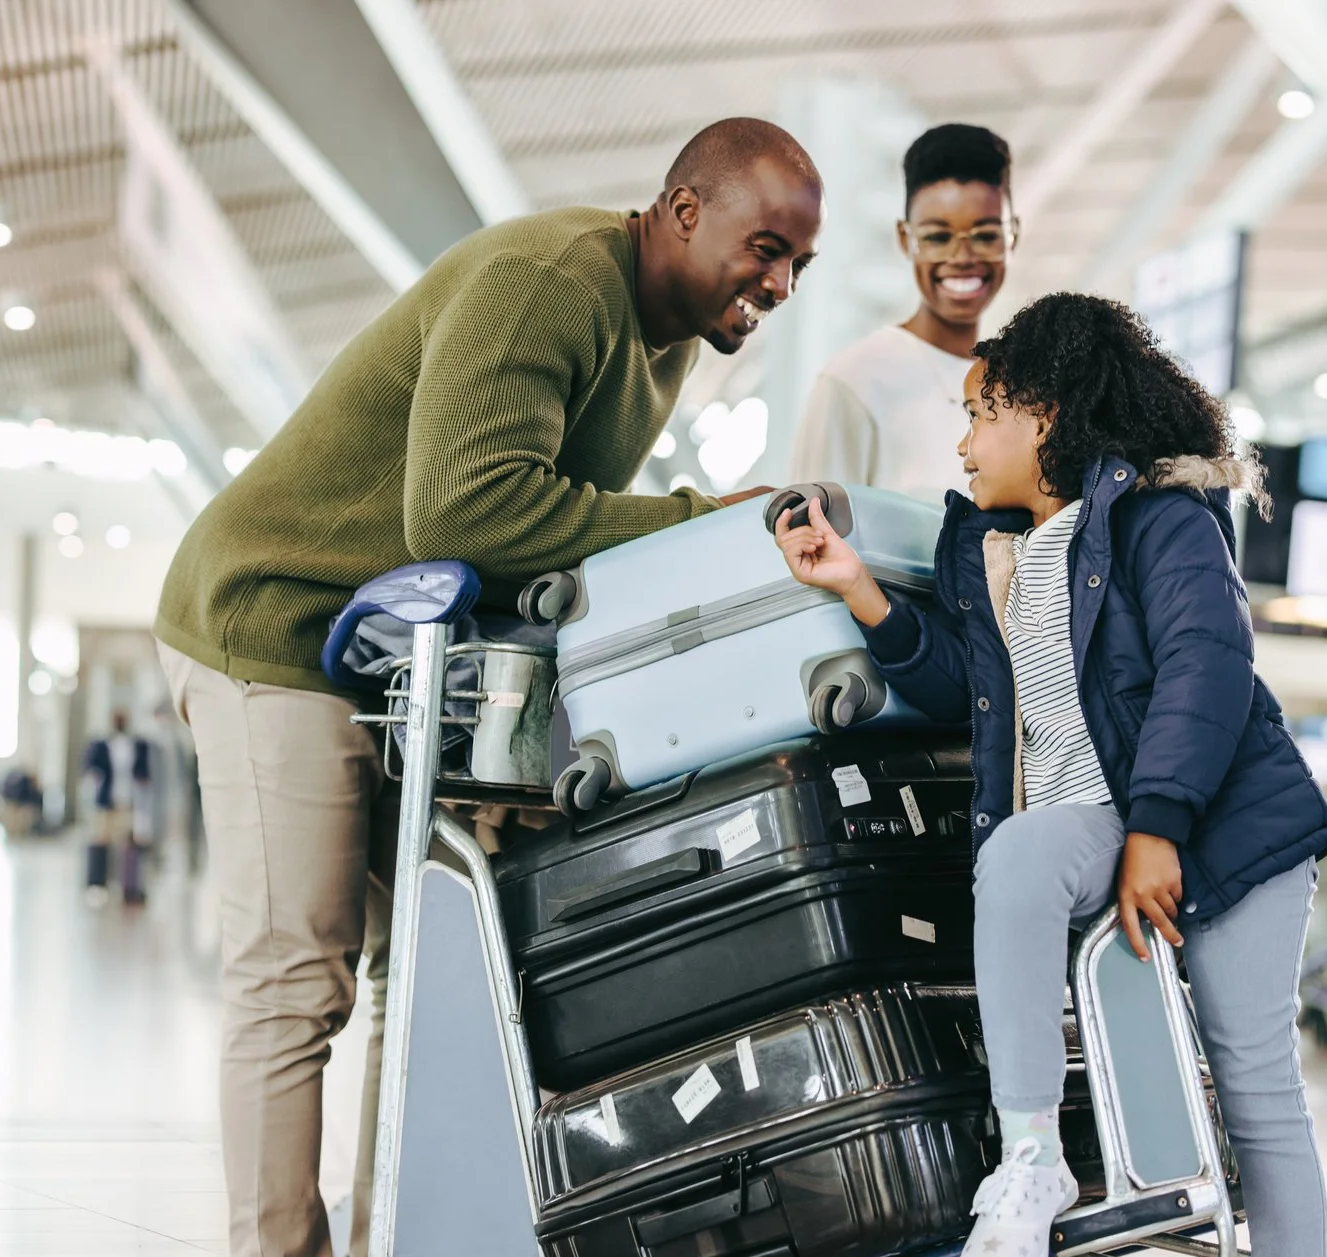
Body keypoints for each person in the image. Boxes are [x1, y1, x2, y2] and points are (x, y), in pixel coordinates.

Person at [156, 118, 824, 1257]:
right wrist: (700, 521)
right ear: (681, 211)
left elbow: (531, 547)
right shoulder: (550, 282)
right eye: (764, 246)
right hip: (275, 623)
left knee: (417, 974)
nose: (778, 282)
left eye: (797, 266)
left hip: (391, 658)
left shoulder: (660, 341)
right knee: (296, 977)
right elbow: (468, 514)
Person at [773, 293, 1327, 1257]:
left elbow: (1208, 664)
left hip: (1230, 830)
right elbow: (965, 685)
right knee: (1022, 852)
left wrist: (1158, 828)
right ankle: (1030, 1153)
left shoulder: (1165, 518)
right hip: (1096, 819)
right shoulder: (996, 552)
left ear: (1043, 414)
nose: (964, 447)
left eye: (979, 415)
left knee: (1255, 1087)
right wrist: (857, 588)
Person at [788, 123, 1016, 503]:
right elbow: (805, 545)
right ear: (905, 239)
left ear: (1013, 236)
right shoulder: (854, 382)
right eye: (937, 237)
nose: (961, 258)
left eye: (985, 235)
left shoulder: (1024, 385)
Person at [83, 712, 152, 906]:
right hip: (106, 801)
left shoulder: (137, 745)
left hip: (128, 801)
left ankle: (129, 888)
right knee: (100, 840)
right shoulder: (101, 745)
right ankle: (97, 886)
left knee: (128, 845)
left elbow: (143, 773)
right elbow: (91, 770)